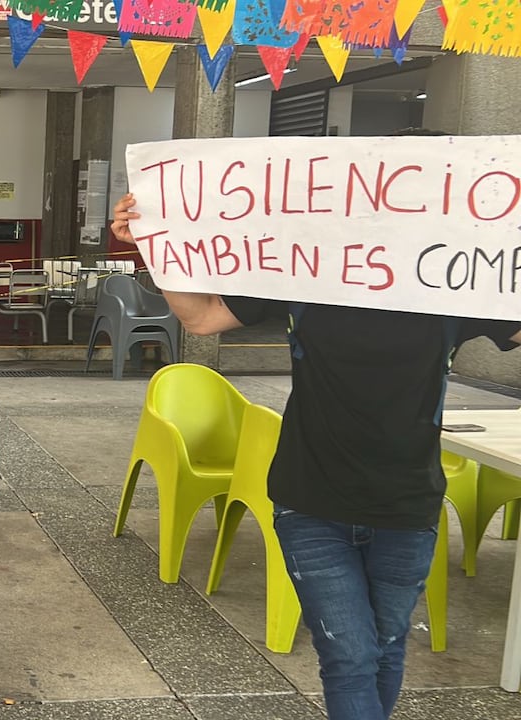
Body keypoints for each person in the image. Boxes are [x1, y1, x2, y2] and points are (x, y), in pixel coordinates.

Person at [111, 163, 521, 719]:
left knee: (385, 647)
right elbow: (202, 317)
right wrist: (156, 242)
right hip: (311, 501)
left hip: (406, 506)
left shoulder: (452, 282)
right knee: (349, 656)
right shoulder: (308, 270)